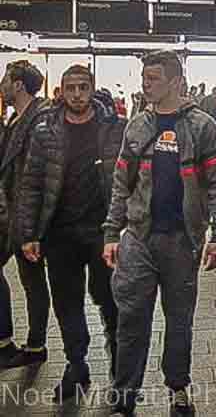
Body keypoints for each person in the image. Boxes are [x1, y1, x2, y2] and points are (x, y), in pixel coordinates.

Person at [103, 50, 216, 417]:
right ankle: (124, 395)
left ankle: (178, 389)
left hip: (182, 241)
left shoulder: (202, 126)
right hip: (139, 238)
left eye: (154, 78)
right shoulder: (138, 126)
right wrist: (112, 232)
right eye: (145, 78)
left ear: (176, 82)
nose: (146, 84)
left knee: (179, 320)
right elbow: (120, 184)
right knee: (131, 318)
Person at [18, 65, 124, 402]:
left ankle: (120, 372)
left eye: (82, 87)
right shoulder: (46, 130)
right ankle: (76, 364)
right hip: (60, 233)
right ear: (60, 91)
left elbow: (128, 180)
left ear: (92, 88)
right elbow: (32, 183)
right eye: (70, 88)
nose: (76, 94)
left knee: (111, 301)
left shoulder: (112, 128)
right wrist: (28, 233)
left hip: (102, 232)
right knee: (67, 303)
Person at [0, 61, 51, 371]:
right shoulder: (16, 120)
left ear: (18, 84)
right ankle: (15, 342)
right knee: (31, 280)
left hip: (26, 216)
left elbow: (40, 172)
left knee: (34, 281)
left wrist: (34, 223)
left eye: (6, 78)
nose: (2, 83)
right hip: (11, 213)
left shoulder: (39, 119)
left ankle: (34, 346)